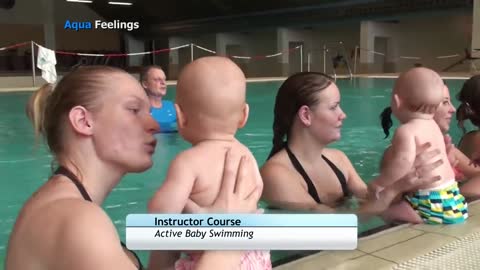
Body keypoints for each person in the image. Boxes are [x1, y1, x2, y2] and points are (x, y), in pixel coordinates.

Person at [6, 66, 262, 270]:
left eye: (149, 111)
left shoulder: (61, 205)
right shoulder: (76, 220)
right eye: (133, 109)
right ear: (84, 121)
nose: (153, 123)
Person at [260, 71, 445, 217]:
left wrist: (406, 178)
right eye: (334, 107)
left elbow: (372, 200)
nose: (343, 114)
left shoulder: (338, 159)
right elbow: (336, 227)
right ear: (306, 115)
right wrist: (394, 189)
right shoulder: (276, 174)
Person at [148, 57, 271, 270]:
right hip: (255, 257)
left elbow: (158, 216)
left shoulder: (188, 161)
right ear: (244, 116)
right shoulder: (246, 155)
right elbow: (257, 191)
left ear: (180, 116)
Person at [373, 67, 467, 224]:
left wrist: (380, 183)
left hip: (433, 206)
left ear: (396, 101)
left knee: (385, 209)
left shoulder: (405, 131)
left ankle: (411, 221)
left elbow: (402, 164)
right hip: (456, 202)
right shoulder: (434, 127)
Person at [140, 65, 177, 132]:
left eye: (164, 79)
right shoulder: (140, 111)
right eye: (157, 79)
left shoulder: (172, 106)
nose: (163, 83)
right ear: (145, 84)